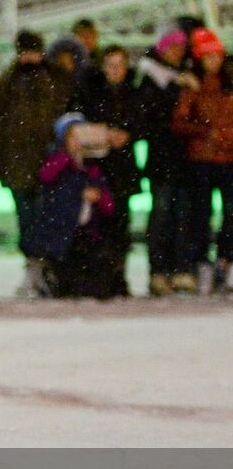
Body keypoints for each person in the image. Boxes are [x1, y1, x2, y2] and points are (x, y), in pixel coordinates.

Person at [0, 30, 71, 296]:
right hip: (20, 166)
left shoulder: (54, 80)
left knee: (49, 218)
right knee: (27, 219)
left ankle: (48, 269)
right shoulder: (9, 83)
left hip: (49, 165)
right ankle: (34, 267)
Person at [134, 30, 201, 295]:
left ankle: (180, 268)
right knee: (162, 215)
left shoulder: (187, 78)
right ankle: (159, 270)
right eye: (172, 48)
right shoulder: (152, 80)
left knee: (183, 215)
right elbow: (150, 118)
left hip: (185, 159)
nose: (176, 53)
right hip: (163, 159)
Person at [30, 113, 123, 299]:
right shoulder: (59, 163)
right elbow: (46, 176)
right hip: (62, 233)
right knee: (66, 275)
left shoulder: (93, 168)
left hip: (87, 233)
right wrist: (67, 159)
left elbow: (109, 206)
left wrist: (98, 197)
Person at [72, 45, 141, 296]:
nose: (116, 70)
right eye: (111, 65)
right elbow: (79, 125)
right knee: (98, 225)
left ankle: (117, 275)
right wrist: (105, 134)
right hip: (100, 169)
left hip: (122, 168)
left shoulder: (132, 93)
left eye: (120, 64)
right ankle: (99, 277)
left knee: (121, 224)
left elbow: (142, 122)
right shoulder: (91, 93)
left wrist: (127, 133)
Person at [173, 28, 233, 292]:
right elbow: (180, 122)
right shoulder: (192, 87)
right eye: (208, 56)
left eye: (216, 56)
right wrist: (207, 132)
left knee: (229, 213)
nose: (214, 61)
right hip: (202, 159)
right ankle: (202, 265)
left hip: (226, 157)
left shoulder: (226, 85)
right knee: (201, 213)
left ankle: (225, 260)